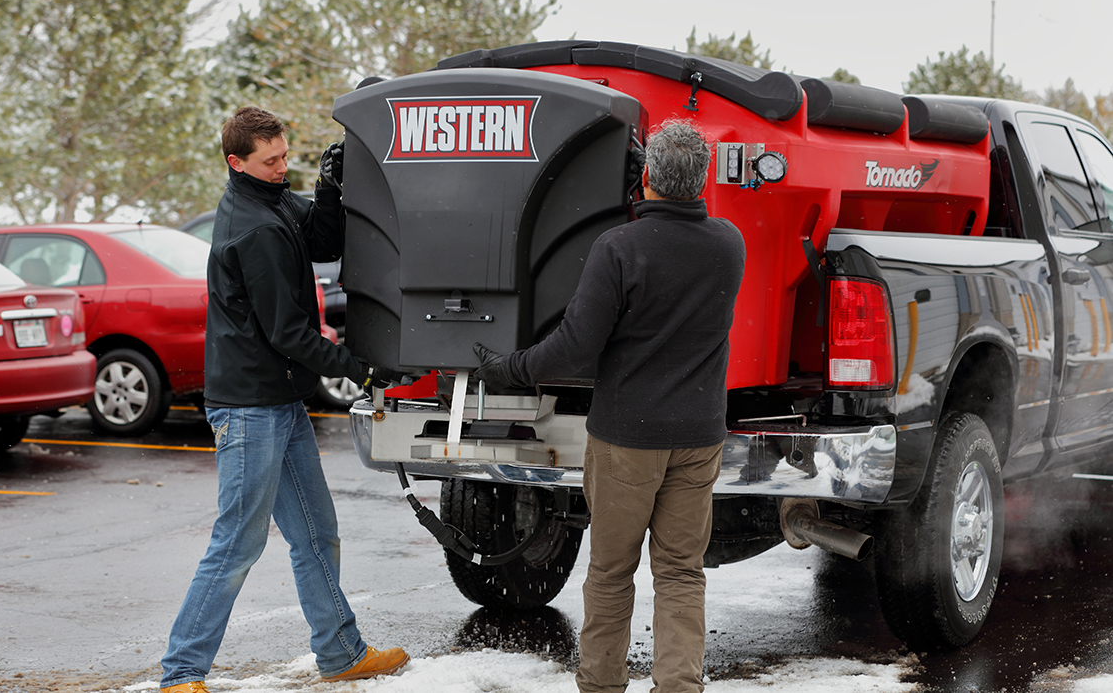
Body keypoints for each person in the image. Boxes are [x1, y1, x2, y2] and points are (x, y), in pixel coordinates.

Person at [473, 119, 745, 693]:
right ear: (701, 183)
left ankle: (600, 684)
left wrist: (509, 369)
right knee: (680, 573)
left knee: (611, 571)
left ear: (645, 177)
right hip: (698, 437)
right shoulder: (729, 244)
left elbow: (576, 346)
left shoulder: (619, 248)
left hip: (627, 438)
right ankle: (679, 686)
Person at [159, 107, 411, 693]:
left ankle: (340, 652)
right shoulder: (256, 228)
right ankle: (181, 673)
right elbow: (288, 334)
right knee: (238, 543)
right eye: (270, 161)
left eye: (286, 156)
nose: (281, 168)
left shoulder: (271, 200)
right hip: (249, 410)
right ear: (235, 162)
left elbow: (323, 237)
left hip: (276, 401)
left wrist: (329, 185)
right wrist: (360, 368)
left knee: (316, 531)